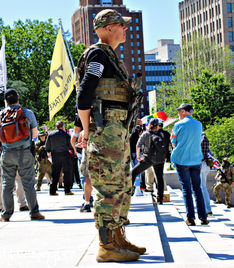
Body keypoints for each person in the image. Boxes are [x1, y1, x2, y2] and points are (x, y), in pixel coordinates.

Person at [76, 9, 145, 262]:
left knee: (122, 186)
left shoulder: (110, 56)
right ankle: (107, 247)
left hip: (117, 132)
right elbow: (84, 95)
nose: (125, 29)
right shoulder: (98, 54)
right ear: (106, 28)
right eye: (120, 25)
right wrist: (86, 130)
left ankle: (117, 238)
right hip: (106, 133)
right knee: (108, 189)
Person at [0, 88, 44, 222]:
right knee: (28, 184)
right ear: (18, 98)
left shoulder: (0, 115)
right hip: (24, 152)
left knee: (6, 184)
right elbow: (34, 134)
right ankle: (34, 212)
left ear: (5, 101)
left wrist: (3, 148)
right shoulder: (27, 113)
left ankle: (6, 214)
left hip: (7, 153)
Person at [171, 103, 208, 226]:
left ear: (183, 111)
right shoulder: (199, 124)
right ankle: (203, 217)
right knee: (197, 188)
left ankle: (190, 218)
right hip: (196, 159)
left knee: (186, 189)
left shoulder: (178, 125)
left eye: (179, 111)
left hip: (182, 159)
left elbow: (173, 142)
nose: (178, 114)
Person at [131, 118, 167, 204]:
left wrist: (138, 157)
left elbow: (138, 145)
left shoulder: (146, 134)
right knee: (159, 177)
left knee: (133, 172)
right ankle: (160, 198)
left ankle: (128, 192)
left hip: (148, 159)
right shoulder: (164, 134)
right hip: (160, 159)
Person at [45, 121, 73, 196]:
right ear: (63, 126)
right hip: (65, 154)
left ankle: (52, 191)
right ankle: (67, 190)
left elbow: (47, 145)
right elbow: (70, 145)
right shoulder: (66, 135)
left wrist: (49, 151)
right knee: (67, 172)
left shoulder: (51, 134)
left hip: (55, 155)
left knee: (55, 173)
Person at [200, 132, 213, 216]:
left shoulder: (199, 139)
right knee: (203, 187)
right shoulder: (205, 139)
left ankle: (207, 209)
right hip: (206, 165)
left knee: (201, 188)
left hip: (200, 164)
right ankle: (207, 209)